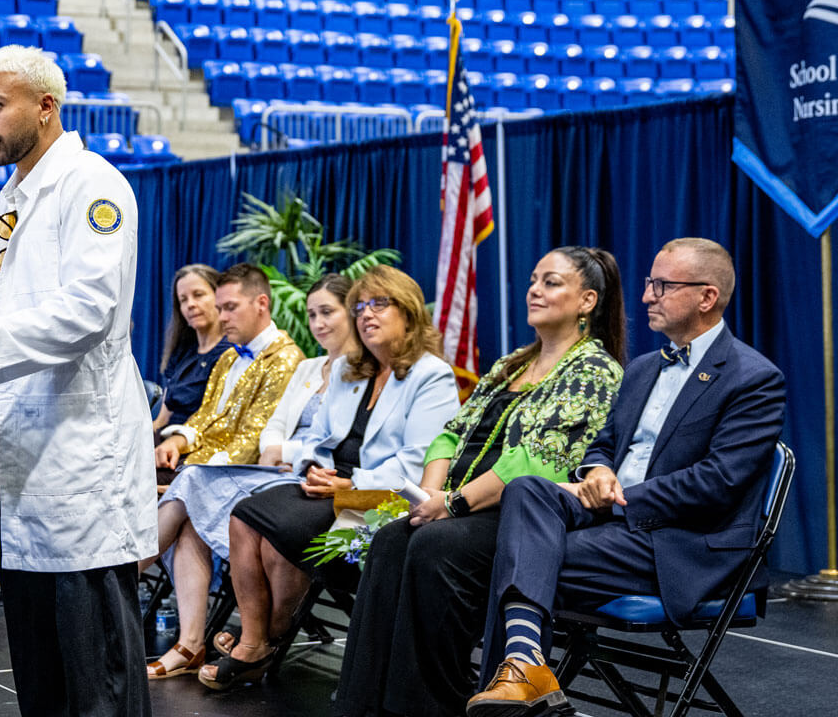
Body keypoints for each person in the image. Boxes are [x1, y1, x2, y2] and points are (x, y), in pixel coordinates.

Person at [0, 45, 156, 717]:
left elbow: (90, 308)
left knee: (95, 670)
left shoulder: (92, 186)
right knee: (43, 673)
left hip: (80, 460)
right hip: (24, 457)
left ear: (46, 107)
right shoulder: (13, 196)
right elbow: (9, 308)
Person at [466, 239, 786, 717]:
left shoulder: (753, 378)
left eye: (662, 285)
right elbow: (603, 445)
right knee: (527, 489)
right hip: (614, 523)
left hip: (681, 541)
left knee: (514, 555)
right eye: (648, 283)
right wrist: (596, 471)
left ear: (706, 297)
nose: (646, 297)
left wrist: (619, 497)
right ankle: (524, 667)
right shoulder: (640, 370)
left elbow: (718, 482)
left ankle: (516, 680)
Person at [332, 247, 627, 717]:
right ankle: (362, 706)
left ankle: (431, 706)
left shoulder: (594, 370)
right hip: (454, 502)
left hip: (517, 515)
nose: (534, 289)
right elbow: (450, 432)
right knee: (391, 540)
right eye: (533, 278)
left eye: (551, 282)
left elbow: (538, 459)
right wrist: (432, 494)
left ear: (587, 301)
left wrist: (453, 504)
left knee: (435, 547)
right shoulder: (512, 362)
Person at [199, 266, 460, 690]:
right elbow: (318, 439)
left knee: (283, 532)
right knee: (246, 515)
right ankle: (255, 640)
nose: (366, 314)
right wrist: (313, 469)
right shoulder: (347, 370)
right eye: (360, 306)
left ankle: (261, 644)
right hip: (328, 484)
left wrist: (351, 485)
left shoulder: (431, 375)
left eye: (379, 304)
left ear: (408, 313)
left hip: (382, 499)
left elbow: (416, 462)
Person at [143, 274, 359, 679]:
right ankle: (189, 642)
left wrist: (282, 451)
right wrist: (179, 437)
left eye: (326, 312)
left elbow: (303, 439)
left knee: (191, 485)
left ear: (261, 303)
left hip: (288, 474)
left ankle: (116, 580)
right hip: (269, 468)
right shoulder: (304, 365)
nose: (317, 322)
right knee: (189, 497)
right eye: (312, 314)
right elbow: (250, 424)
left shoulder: (297, 360)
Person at [154, 263, 305, 480]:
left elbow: (253, 439)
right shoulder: (229, 357)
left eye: (230, 307)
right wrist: (176, 441)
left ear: (262, 303)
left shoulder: (284, 358)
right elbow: (205, 416)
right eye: (220, 308)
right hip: (199, 461)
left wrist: (197, 471)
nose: (222, 317)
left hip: (228, 471)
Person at [154, 264, 231, 431]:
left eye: (198, 295)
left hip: (197, 443)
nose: (190, 304)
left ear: (219, 296)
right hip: (165, 438)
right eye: (183, 300)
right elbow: (162, 419)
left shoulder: (231, 353)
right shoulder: (183, 350)